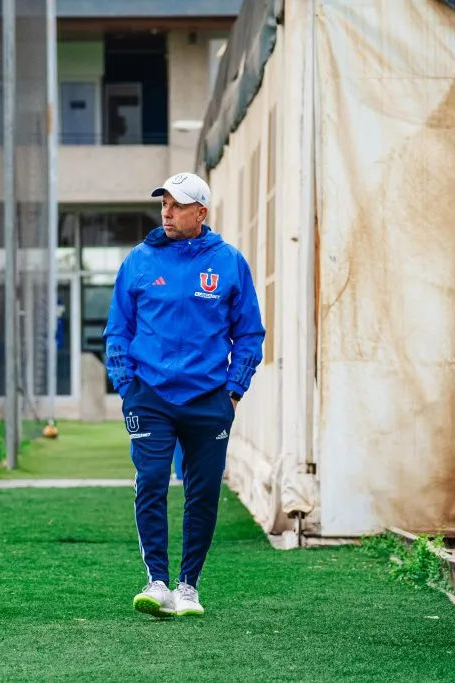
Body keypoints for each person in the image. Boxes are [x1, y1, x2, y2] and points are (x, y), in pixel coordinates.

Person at [103, 172, 265, 618]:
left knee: (204, 491)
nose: (167, 213)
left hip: (208, 399)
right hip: (150, 397)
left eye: (177, 205)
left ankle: (188, 586)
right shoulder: (138, 261)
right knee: (152, 482)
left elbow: (250, 333)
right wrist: (127, 387)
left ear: (201, 212)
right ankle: (156, 582)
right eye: (164, 204)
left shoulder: (229, 262)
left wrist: (233, 392)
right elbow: (118, 330)